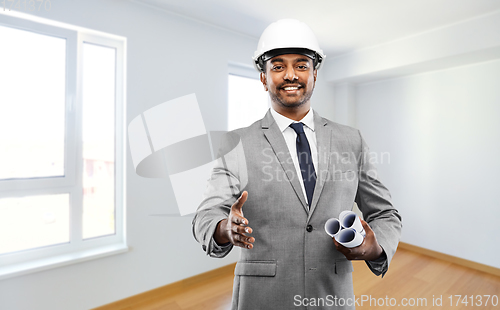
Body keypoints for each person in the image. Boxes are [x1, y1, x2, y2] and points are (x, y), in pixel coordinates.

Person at [192, 19, 402, 310]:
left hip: (332, 297)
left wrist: (375, 247)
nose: (291, 75)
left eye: (301, 65)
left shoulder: (351, 140)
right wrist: (224, 228)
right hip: (263, 298)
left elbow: (386, 213)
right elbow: (206, 214)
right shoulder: (236, 143)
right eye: (278, 66)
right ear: (264, 78)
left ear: (315, 73)